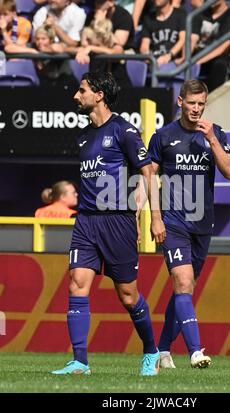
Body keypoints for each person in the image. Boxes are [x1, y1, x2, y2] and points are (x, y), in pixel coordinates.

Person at [51, 71, 166, 376]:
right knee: (77, 283)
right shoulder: (84, 136)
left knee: (128, 296)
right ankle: (80, 362)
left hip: (117, 222)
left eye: (82, 90)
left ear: (99, 94)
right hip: (87, 221)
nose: (77, 96)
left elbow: (148, 176)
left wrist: (153, 218)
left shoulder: (124, 132)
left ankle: (151, 352)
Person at [148, 79, 230, 368]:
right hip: (173, 223)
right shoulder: (163, 136)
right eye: (192, 103)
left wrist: (211, 139)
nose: (196, 109)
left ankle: (162, 350)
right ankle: (196, 351)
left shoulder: (215, 133)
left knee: (184, 288)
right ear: (181, 102)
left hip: (203, 224)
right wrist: (155, 218)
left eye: (201, 104)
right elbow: (149, 178)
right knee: (183, 282)